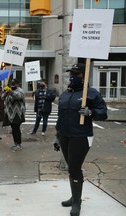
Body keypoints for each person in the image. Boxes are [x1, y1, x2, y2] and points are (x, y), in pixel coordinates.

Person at [55, 63, 107, 216]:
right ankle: (74, 197)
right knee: (71, 168)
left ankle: (77, 202)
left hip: (81, 136)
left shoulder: (91, 93)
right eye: (71, 73)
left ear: (83, 76)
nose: (72, 77)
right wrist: (57, 137)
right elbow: (60, 117)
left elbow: (103, 113)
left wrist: (90, 112)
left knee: (74, 168)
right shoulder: (65, 95)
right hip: (65, 136)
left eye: (76, 74)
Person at [2, 79, 26, 151]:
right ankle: (15, 143)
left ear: (17, 84)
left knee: (16, 129)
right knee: (13, 129)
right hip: (10, 114)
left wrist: (11, 92)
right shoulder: (9, 91)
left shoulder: (20, 91)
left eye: (14, 84)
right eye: (12, 84)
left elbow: (17, 97)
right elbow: (2, 98)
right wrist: (6, 92)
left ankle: (19, 144)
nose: (13, 86)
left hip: (18, 113)